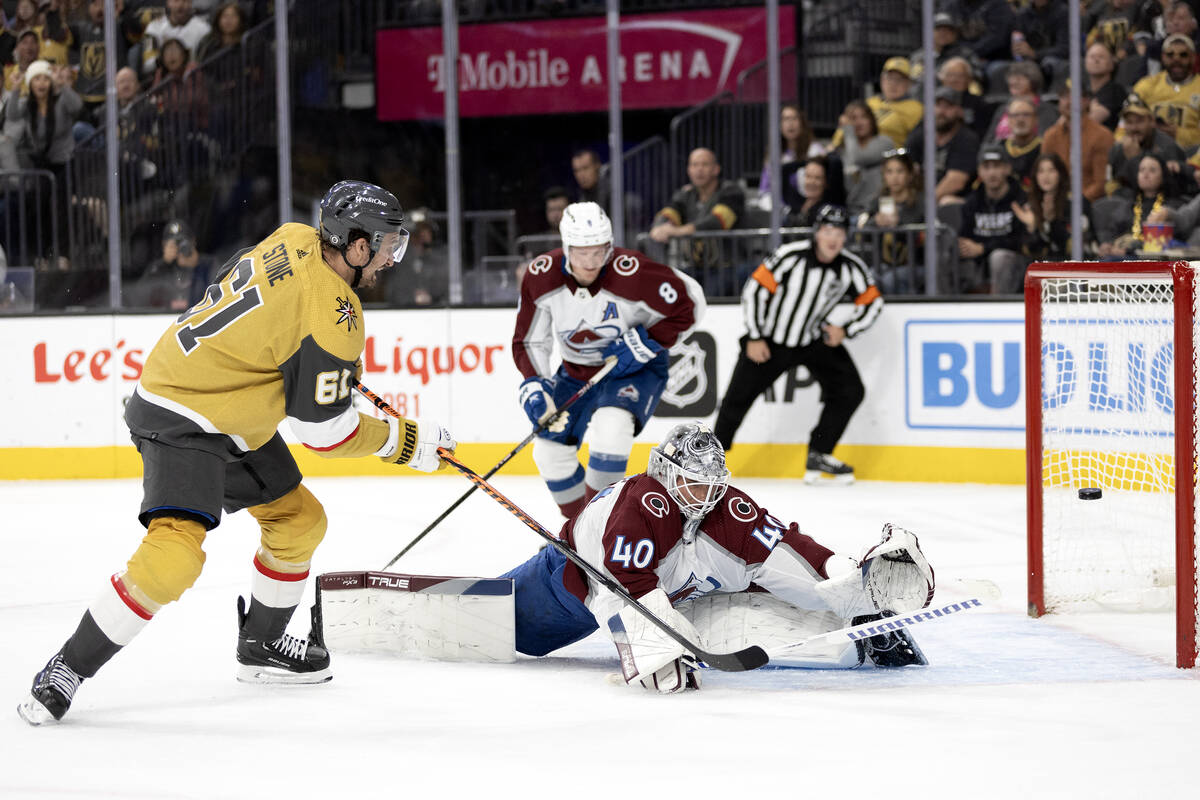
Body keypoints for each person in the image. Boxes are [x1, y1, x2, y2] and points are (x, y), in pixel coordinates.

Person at [17, 180, 458, 726]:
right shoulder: (334, 314)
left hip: (226, 405)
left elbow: (235, 272)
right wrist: (407, 442)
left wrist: (310, 367)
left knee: (299, 522)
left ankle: (262, 645)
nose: (392, 256)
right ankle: (66, 668)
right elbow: (326, 434)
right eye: (388, 244)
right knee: (176, 555)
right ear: (356, 245)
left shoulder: (296, 235)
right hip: (184, 412)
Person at [498, 421, 936, 693]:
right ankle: (495, 610)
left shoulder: (729, 509)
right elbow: (621, 587)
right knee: (516, 630)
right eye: (693, 483)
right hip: (573, 582)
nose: (705, 495)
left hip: (678, 595)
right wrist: (654, 650)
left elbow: (787, 551)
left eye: (712, 484)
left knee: (749, 620)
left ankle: (858, 630)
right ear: (668, 472)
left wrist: (850, 578)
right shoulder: (643, 503)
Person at [513, 201, 704, 520]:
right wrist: (535, 385)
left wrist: (647, 341)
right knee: (548, 452)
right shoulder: (541, 276)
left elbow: (691, 302)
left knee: (612, 429)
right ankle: (580, 530)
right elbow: (531, 339)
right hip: (575, 373)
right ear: (565, 246)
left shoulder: (634, 271)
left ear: (610, 246)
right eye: (580, 252)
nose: (590, 262)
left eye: (598, 251)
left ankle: (601, 530)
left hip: (635, 370)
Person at [713, 204, 882, 484]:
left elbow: (873, 302)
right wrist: (755, 335)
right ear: (817, 232)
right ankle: (708, 462)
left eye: (840, 232)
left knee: (850, 390)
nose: (834, 238)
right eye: (828, 230)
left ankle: (819, 452)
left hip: (812, 340)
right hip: (770, 340)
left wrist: (846, 329)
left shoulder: (850, 267)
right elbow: (754, 291)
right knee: (736, 400)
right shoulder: (790, 256)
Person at [649, 147, 744, 295]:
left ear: (716, 169)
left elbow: (718, 222)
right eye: (694, 165)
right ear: (689, 170)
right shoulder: (685, 194)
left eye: (704, 164)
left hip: (727, 266)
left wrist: (679, 231)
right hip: (695, 267)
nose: (699, 169)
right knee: (667, 288)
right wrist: (659, 227)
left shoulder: (731, 191)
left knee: (708, 296)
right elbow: (669, 212)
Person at [957, 144, 1028, 294]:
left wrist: (983, 248)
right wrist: (965, 247)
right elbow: (964, 236)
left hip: (1016, 265)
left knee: (999, 257)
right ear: (979, 171)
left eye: (996, 166)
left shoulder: (1021, 199)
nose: (992, 173)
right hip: (979, 265)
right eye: (986, 167)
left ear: (1007, 169)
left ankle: (998, 310)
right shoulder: (972, 202)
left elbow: (1020, 241)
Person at [1096, 152, 1184, 257]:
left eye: (1152, 170)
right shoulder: (1129, 205)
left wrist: (1130, 250)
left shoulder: (1172, 207)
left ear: (1163, 175)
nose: (1145, 174)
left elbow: (1171, 240)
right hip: (1118, 255)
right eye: (1142, 170)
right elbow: (1111, 230)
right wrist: (1108, 244)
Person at [1040, 79, 1114, 202]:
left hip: (1090, 205)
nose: (1068, 102)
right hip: (1056, 204)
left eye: (1074, 96)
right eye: (1064, 96)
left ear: (1086, 101)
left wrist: (1076, 203)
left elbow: (1101, 184)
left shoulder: (1102, 136)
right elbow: (1043, 175)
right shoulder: (1050, 136)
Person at [903, 86, 980, 203]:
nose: (941, 112)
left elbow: (956, 182)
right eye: (937, 105)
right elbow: (906, 170)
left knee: (946, 201)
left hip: (954, 200)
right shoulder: (919, 135)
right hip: (922, 198)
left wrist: (924, 207)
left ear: (959, 110)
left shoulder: (967, 138)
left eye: (948, 106)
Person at [1013, 152, 1093, 262]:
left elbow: (1072, 246)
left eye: (1051, 170)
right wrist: (1033, 228)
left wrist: (1052, 221)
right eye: (1041, 171)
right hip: (1043, 265)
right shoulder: (1031, 205)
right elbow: (1032, 251)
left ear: (1060, 174)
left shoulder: (1076, 202)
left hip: (1074, 265)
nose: (1046, 176)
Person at [1131, 32, 1200, 151]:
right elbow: (1125, 123)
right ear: (1163, 57)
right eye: (1170, 55)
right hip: (1148, 151)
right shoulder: (1146, 85)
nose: (1176, 59)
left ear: (1193, 58)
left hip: (1189, 154)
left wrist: (1177, 134)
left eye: (1183, 55)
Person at [131, 218, 216, 310]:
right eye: (174, 244)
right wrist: (163, 264)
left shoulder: (208, 264)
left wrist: (197, 264)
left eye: (183, 242)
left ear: (193, 242)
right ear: (164, 246)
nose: (179, 248)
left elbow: (219, 293)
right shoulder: (158, 270)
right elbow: (138, 300)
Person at [836, 99, 892, 217]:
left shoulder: (884, 142)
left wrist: (848, 130)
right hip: (851, 212)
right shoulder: (843, 151)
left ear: (871, 120)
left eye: (863, 117)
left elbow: (859, 158)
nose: (858, 122)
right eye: (853, 118)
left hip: (877, 211)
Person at [996, 98, 1042, 191]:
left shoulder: (1044, 148)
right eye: (1015, 115)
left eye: (1026, 115)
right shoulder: (999, 148)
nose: (1020, 119)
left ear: (1036, 119)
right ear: (1008, 120)